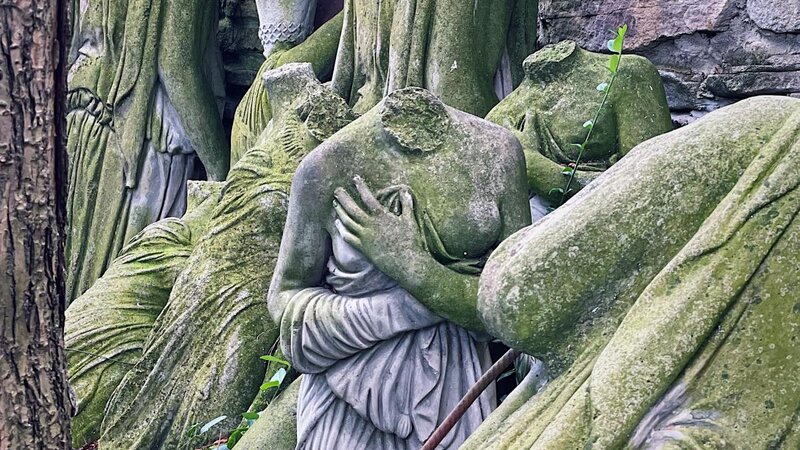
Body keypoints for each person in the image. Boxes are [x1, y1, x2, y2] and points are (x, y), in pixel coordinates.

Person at [268, 87, 531, 449]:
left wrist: (413, 266)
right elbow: (284, 297)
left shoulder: (496, 151)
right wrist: (396, 311)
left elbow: (519, 305)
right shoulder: (327, 166)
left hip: (453, 383)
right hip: (346, 391)